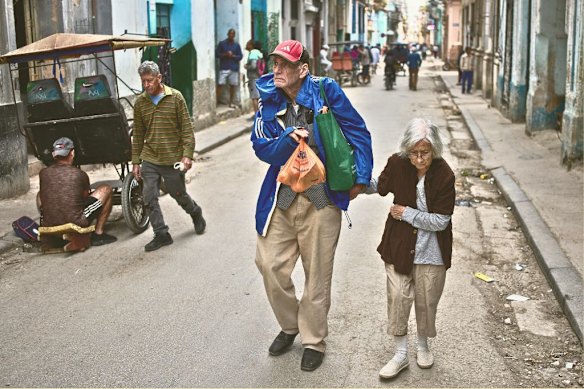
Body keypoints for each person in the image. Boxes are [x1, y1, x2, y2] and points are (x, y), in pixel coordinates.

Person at [251, 40, 373, 372]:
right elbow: (261, 148)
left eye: (286, 64)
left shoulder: (325, 91)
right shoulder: (269, 101)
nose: (277, 70)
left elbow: (358, 132)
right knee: (269, 263)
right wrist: (285, 138)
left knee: (317, 274)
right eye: (275, 63)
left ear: (302, 69)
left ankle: (313, 339)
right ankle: (291, 325)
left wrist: (360, 179)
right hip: (285, 195)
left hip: (321, 196)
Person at [374, 118, 455, 379]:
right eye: (414, 153)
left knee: (426, 301)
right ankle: (399, 355)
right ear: (406, 150)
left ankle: (422, 345)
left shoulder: (444, 174)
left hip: (432, 252)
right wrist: (350, 180)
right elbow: (380, 186)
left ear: (435, 151)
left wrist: (407, 213)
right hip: (398, 246)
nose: (419, 159)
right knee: (398, 297)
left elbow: (441, 222)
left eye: (425, 153)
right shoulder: (398, 163)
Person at [132, 61, 206, 252]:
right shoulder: (140, 102)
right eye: (143, 81)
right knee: (148, 196)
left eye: (149, 80)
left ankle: (195, 212)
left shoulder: (175, 98)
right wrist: (136, 162)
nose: (146, 85)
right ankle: (161, 233)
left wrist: (187, 155)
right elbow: (138, 134)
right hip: (150, 157)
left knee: (178, 194)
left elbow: (187, 130)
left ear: (159, 78)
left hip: (172, 157)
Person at [37, 137, 117, 247]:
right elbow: (83, 198)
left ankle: (49, 219)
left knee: (39, 194)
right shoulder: (79, 174)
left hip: (48, 221)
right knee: (106, 189)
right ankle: (99, 233)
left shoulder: (43, 173)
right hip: (77, 221)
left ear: (53, 154)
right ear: (72, 153)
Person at [215, 28, 243, 108]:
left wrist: (233, 56)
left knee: (232, 86)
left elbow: (240, 56)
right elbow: (217, 54)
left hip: (233, 68)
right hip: (224, 67)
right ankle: (216, 102)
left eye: (233, 34)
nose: (231, 35)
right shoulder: (222, 44)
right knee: (220, 84)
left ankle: (231, 103)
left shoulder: (236, 45)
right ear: (227, 34)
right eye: (230, 34)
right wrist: (225, 54)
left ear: (234, 36)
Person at [244, 39, 264, 119]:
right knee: (258, 96)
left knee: (254, 97)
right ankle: (259, 114)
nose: (246, 45)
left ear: (251, 45)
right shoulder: (258, 53)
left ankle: (257, 115)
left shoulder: (253, 53)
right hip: (258, 76)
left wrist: (246, 66)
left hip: (253, 77)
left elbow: (253, 66)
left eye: (248, 44)